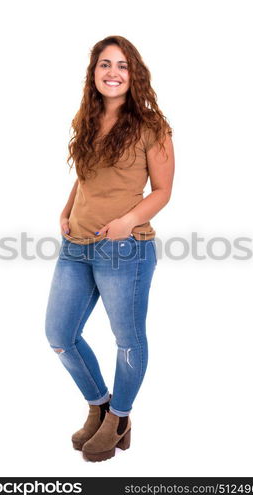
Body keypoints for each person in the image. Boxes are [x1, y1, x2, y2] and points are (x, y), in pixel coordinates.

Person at [45, 35, 175, 462]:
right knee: (60, 334)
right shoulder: (88, 117)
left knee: (127, 339)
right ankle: (99, 404)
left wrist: (126, 222)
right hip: (75, 246)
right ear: (94, 73)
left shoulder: (152, 126)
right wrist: (65, 212)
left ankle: (120, 417)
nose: (112, 73)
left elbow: (162, 191)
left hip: (125, 249)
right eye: (105, 64)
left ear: (133, 73)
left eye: (121, 65)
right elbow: (84, 177)